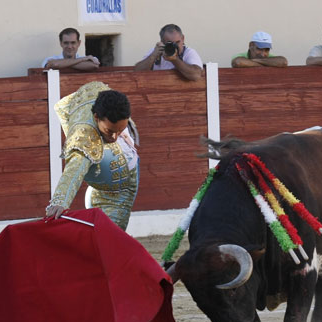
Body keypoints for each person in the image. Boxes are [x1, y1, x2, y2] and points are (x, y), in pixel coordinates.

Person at [45, 81, 139, 231]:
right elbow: (74, 169)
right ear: (96, 118)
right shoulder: (84, 136)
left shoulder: (104, 98)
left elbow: (62, 105)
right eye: (109, 131)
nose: (115, 137)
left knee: (104, 238)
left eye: (120, 130)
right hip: (107, 188)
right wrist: (59, 202)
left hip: (118, 186)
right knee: (108, 239)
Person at [134, 24, 203, 81]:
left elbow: (196, 75)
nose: (175, 46)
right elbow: (137, 72)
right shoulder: (157, 51)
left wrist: (174, 59)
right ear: (162, 41)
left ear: (183, 38)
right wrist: (153, 56)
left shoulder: (189, 52)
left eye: (177, 42)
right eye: (170, 43)